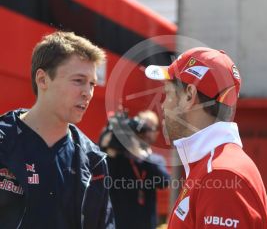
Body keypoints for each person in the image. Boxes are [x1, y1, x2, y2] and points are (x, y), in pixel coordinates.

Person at [144, 47, 267, 228]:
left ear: (189, 96)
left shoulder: (221, 175)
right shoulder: (213, 166)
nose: (163, 105)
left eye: (167, 93)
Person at [0, 31, 115, 228]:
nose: (87, 93)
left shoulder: (94, 161)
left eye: (92, 84)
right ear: (43, 80)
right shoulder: (4, 141)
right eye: (78, 80)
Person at [99, 110, 170, 229]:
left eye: (149, 128)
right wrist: (111, 138)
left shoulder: (155, 160)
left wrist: (140, 155)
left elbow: (164, 182)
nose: (145, 132)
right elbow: (100, 166)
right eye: (142, 127)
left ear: (157, 133)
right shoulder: (118, 156)